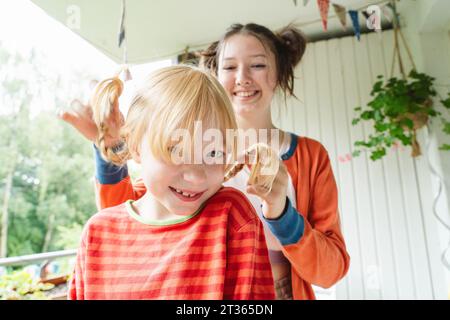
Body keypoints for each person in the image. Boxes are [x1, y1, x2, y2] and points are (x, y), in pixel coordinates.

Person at [61, 23, 350, 300]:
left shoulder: (310, 157)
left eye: (258, 65)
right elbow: (124, 231)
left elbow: (330, 271)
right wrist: (113, 146)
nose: (242, 78)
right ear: (214, 74)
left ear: (279, 73)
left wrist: (282, 213)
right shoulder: (171, 164)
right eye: (229, 66)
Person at [68, 65, 276, 300]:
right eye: (176, 151)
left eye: (214, 154)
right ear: (135, 147)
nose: (197, 176)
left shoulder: (231, 215)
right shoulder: (98, 232)